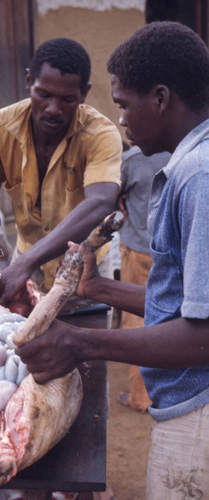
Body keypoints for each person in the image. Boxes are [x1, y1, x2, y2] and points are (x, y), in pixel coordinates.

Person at [16, 21, 209, 499]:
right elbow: (189, 307)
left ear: (160, 99)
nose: (121, 120)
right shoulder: (191, 166)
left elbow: (203, 338)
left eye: (123, 104)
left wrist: (82, 343)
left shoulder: (198, 177)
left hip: (198, 416)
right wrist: (99, 289)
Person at [0, 37, 122, 310]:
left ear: (84, 93)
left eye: (67, 99)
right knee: (18, 346)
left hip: (84, 271)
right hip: (26, 266)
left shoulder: (100, 134)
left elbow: (101, 202)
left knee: (88, 346)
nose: (53, 108)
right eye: (43, 94)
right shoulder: (1, 127)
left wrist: (26, 262)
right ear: (29, 81)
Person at [117, 145, 171, 413]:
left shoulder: (132, 160)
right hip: (172, 251)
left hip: (138, 249)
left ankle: (140, 396)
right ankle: (167, 390)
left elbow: (112, 194)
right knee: (171, 316)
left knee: (137, 321)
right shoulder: (184, 149)